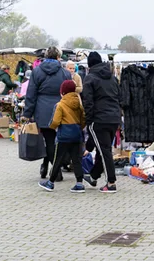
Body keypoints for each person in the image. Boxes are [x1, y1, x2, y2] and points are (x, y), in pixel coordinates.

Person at [23, 47, 71, 181]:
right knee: (59, 142)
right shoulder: (65, 73)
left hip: (42, 110)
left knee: (49, 141)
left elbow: (31, 94)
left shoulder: (37, 72)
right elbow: (70, 94)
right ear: (58, 57)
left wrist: (27, 113)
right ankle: (51, 167)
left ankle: (52, 169)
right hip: (61, 110)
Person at [81, 51, 121, 193]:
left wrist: (89, 120)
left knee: (104, 151)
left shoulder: (89, 78)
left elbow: (88, 102)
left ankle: (111, 182)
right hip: (114, 118)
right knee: (102, 148)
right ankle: (93, 176)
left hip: (99, 119)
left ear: (89, 64)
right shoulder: (112, 77)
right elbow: (119, 96)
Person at [40, 80, 86, 193]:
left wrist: (51, 126)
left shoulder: (60, 105)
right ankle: (79, 184)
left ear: (63, 92)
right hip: (76, 135)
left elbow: (55, 121)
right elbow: (83, 119)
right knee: (77, 160)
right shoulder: (79, 104)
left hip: (64, 136)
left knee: (58, 159)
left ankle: (50, 183)